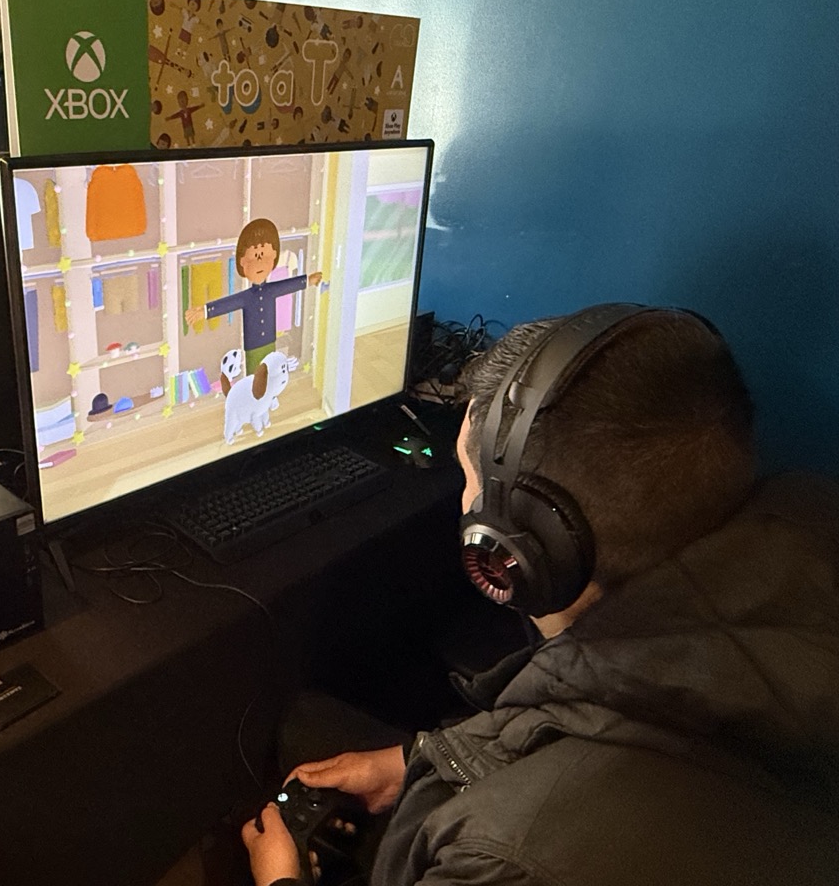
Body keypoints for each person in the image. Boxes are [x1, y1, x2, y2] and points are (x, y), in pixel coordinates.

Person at [242, 304, 839, 886]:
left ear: (516, 547)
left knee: (302, 723)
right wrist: (422, 757)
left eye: (469, 481)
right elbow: (584, 709)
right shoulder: (807, 532)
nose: (463, 502)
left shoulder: (507, 859)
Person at [184, 218, 323, 374]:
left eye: (263, 255)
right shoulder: (246, 297)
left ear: (274, 256)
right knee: (255, 376)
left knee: (270, 372)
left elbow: (287, 285)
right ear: (242, 262)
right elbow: (228, 303)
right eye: (255, 255)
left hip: (269, 340)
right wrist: (205, 311)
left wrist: (308, 280)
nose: (259, 262)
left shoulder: (271, 290)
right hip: (253, 345)